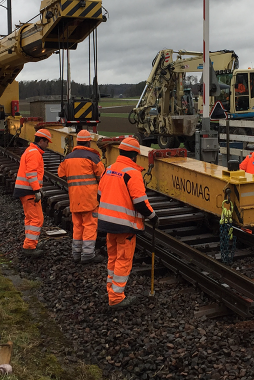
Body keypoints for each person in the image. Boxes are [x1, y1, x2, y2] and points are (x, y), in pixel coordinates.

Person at [96, 138, 157, 309]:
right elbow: (140, 202)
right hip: (124, 226)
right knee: (123, 260)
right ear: (134, 155)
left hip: (107, 224)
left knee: (113, 258)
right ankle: (116, 298)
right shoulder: (133, 173)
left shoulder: (109, 169)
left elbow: (100, 195)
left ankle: (111, 290)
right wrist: (153, 217)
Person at [57, 130, 105, 264]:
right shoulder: (93, 158)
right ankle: (88, 254)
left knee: (77, 226)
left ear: (78, 141)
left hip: (74, 199)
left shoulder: (68, 158)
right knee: (89, 225)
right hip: (89, 199)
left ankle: (76, 253)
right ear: (89, 142)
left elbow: (61, 173)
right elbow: (102, 176)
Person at [13, 129, 52, 257]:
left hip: (26, 190)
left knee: (32, 218)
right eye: (47, 142)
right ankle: (29, 246)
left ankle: (31, 243)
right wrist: (36, 190)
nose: (47, 145)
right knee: (36, 219)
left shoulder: (30, 151)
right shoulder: (34, 153)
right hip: (29, 191)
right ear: (41, 141)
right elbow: (31, 174)